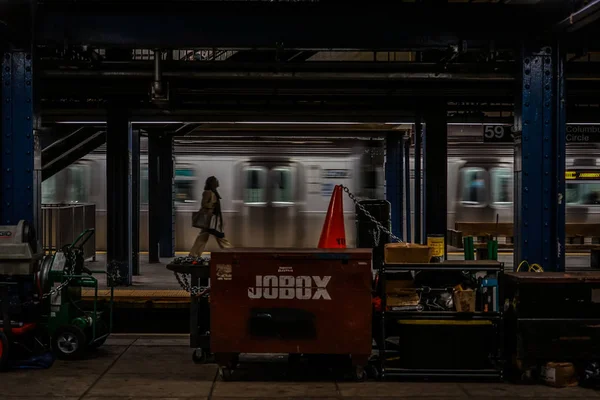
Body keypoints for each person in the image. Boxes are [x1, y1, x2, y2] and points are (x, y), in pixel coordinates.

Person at [189, 176, 233, 256]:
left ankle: (194, 254)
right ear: (212, 183)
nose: (218, 182)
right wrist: (212, 204)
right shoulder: (208, 192)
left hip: (213, 218)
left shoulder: (214, 191)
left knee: (204, 236)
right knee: (219, 235)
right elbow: (204, 204)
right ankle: (230, 252)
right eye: (216, 181)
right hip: (210, 219)